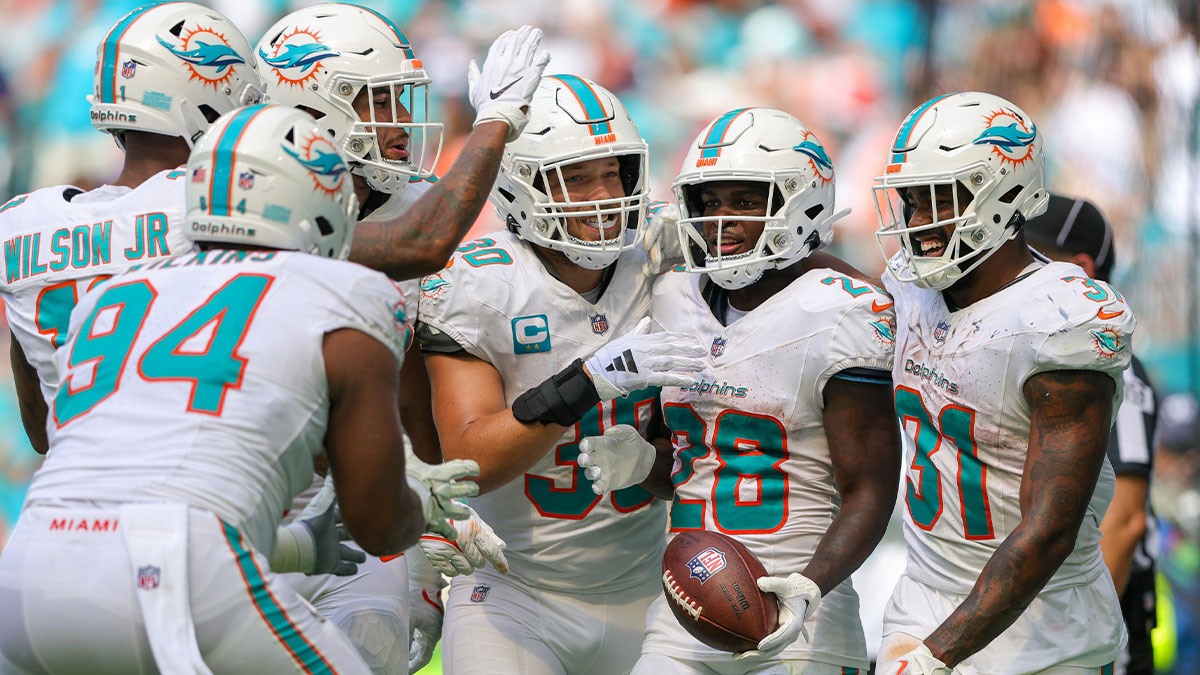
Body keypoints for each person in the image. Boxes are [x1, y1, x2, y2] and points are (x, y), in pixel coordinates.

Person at [0, 104, 479, 674]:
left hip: (30, 567)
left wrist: (299, 545)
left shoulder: (111, 295)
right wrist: (417, 506)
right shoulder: (346, 290)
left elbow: (116, 485)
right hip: (169, 572)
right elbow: (376, 523)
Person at [254, 8, 545, 673]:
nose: (396, 121)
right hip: (248, 502)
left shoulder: (405, 199)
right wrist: (494, 122)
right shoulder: (260, 203)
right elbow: (422, 243)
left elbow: (417, 399)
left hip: (355, 515)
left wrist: (424, 505)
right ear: (309, 109)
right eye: (376, 101)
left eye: (396, 98)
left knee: (380, 648)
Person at [577, 106, 903, 673]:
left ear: (802, 203)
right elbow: (684, 470)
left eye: (746, 202)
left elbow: (871, 490)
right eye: (709, 203)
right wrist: (640, 464)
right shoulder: (674, 297)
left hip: (802, 614)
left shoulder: (842, 309)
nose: (721, 221)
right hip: (690, 602)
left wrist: (811, 585)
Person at [415, 73, 708, 674]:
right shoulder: (479, 282)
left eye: (614, 172)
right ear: (520, 186)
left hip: (652, 586)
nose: (603, 195)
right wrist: (588, 383)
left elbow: (789, 272)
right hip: (513, 593)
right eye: (576, 178)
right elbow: (470, 460)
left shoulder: (662, 246)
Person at [871, 91, 1135, 674]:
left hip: (1044, 632)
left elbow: (1048, 530)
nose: (919, 222)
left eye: (939, 200)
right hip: (921, 598)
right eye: (911, 201)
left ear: (1003, 193)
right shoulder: (908, 287)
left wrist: (937, 656)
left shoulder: (1059, 321)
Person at [0, 1, 262, 455]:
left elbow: (42, 432)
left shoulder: (21, 225)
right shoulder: (215, 203)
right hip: (191, 485)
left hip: (67, 504)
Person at [1024, 194, 1160, 675]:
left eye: (1033, 254)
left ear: (1080, 268)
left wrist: (1069, 645)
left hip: (1093, 640)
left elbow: (1124, 523)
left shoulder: (1104, 366)